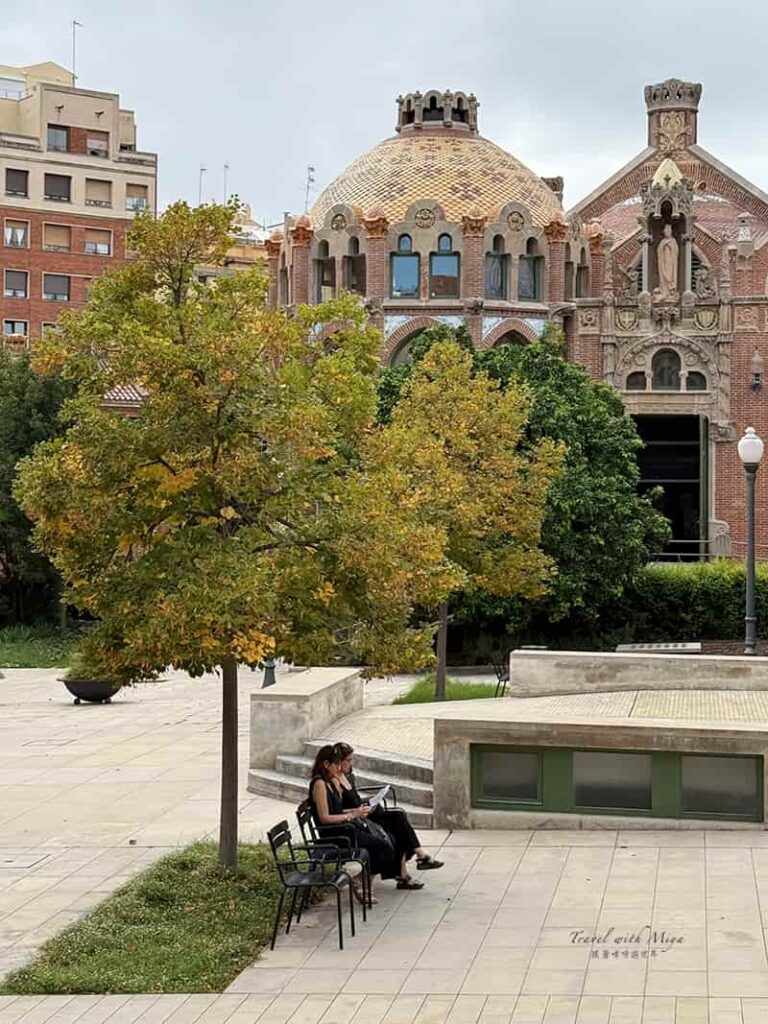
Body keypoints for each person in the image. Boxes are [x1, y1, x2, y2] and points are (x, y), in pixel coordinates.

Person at [332, 741, 444, 890]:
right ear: (339, 761)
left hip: (364, 814)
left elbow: (355, 800)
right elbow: (339, 810)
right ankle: (415, 862)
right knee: (397, 825)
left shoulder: (348, 776)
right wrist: (358, 811)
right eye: (349, 760)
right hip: (357, 821)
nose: (351, 763)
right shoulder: (334, 781)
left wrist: (368, 804)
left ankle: (411, 866)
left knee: (398, 818)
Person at [308, 744, 396, 903]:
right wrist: (352, 815)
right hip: (335, 834)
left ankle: (363, 880)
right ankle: (359, 881)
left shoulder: (330, 781)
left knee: (386, 840)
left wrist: (355, 812)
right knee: (380, 846)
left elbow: (338, 810)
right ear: (326, 764)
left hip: (345, 827)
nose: (339, 767)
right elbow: (325, 817)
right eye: (336, 764)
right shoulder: (320, 784)